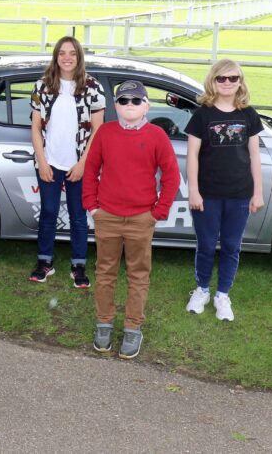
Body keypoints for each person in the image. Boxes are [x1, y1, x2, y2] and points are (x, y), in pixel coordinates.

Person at [82, 80, 180, 359]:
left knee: (138, 275)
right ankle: (104, 323)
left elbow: (171, 176)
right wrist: (92, 207)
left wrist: (158, 212)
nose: (130, 106)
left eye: (136, 101)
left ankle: (133, 327)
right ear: (116, 106)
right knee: (105, 272)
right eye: (124, 101)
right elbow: (90, 170)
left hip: (141, 218)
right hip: (107, 217)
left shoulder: (157, 135)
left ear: (146, 105)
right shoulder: (105, 133)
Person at [184, 59, 264, 321]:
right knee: (206, 244)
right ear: (213, 81)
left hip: (240, 193)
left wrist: (258, 192)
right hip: (207, 194)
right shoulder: (202, 115)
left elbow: (254, 155)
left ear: (240, 82)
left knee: (231, 246)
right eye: (222, 78)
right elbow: (192, 155)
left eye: (233, 78)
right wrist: (194, 191)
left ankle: (222, 295)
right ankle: (202, 289)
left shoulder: (248, 114)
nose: (228, 83)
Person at [29, 35, 105, 287]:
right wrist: (42, 161)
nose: (67, 57)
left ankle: (79, 265)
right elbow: (36, 126)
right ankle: (44, 262)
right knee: (48, 212)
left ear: (79, 57)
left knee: (78, 215)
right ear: (56, 57)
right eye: (62, 52)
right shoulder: (42, 86)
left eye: (72, 53)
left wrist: (83, 164)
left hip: (79, 164)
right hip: (50, 160)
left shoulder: (93, 87)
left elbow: (98, 130)